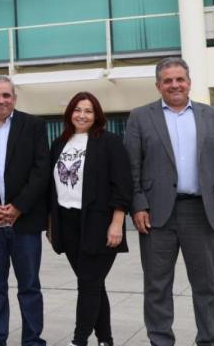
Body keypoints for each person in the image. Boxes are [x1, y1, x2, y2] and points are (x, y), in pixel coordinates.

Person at [124, 57, 214, 346]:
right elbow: (131, 168)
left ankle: (210, 339)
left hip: (202, 212)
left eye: (179, 79)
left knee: (206, 285)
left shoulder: (212, 116)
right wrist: (137, 205)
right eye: (168, 80)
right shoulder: (140, 117)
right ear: (158, 85)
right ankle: (160, 341)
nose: (174, 85)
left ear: (189, 82)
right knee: (157, 286)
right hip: (156, 216)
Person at [0, 75, 50, 346]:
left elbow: (41, 170)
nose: (1, 100)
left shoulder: (34, 126)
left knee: (29, 286)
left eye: (6, 95)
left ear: (14, 98)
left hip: (25, 222)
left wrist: (19, 207)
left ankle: (32, 340)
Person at [47, 92, 133, 346]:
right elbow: (51, 187)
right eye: (77, 109)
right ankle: (105, 339)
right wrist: (51, 224)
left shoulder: (110, 142)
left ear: (97, 115)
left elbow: (122, 185)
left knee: (89, 283)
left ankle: (79, 339)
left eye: (88, 111)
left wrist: (117, 222)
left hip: (99, 224)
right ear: (69, 113)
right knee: (93, 284)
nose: (82, 115)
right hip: (67, 223)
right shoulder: (59, 143)